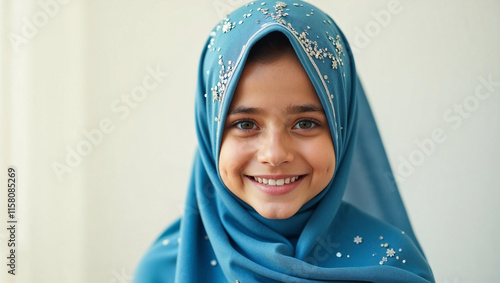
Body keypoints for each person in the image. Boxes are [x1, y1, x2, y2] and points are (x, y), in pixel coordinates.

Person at [135, 1, 434, 282]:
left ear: (341, 129)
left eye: (305, 123)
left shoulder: (390, 262)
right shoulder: (164, 270)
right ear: (210, 134)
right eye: (245, 124)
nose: (274, 155)